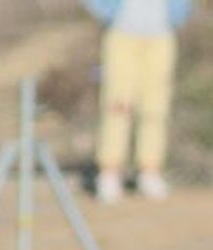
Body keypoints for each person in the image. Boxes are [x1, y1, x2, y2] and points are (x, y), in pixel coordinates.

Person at [81, 0, 193, 202]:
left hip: (161, 35)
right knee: (118, 105)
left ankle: (150, 171)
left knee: (156, 108)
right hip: (122, 34)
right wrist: (108, 13)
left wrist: (177, 16)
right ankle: (110, 172)